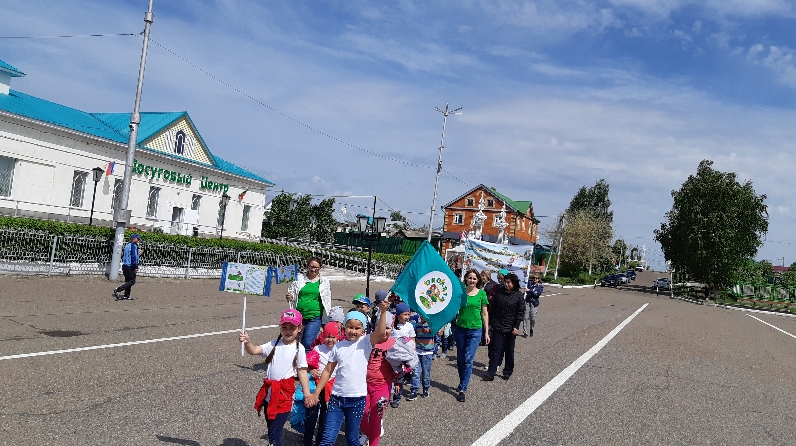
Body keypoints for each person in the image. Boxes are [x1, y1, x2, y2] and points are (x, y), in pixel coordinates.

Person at [306, 300, 391, 446]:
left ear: (363, 330)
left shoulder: (365, 342)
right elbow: (327, 370)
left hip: (357, 400)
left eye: (357, 328)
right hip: (336, 399)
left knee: (352, 439)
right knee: (327, 439)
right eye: (350, 327)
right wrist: (316, 393)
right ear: (343, 327)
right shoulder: (338, 346)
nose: (353, 331)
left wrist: (383, 312)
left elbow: (381, 332)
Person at [239, 309, 312, 446]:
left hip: (283, 396)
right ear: (280, 327)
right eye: (284, 327)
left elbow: (302, 372)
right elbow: (254, 350)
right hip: (269, 395)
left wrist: (307, 393)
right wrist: (247, 342)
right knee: (271, 427)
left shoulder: (299, 349)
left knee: (274, 433)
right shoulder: (273, 344)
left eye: (292, 327)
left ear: (300, 328)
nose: (288, 331)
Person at [360, 311, 396, 446]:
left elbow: (405, 365)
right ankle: (370, 433)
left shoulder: (394, 343)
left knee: (376, 418)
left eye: (388, 328)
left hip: (382, 386)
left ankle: (373, 441)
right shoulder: (369, 340)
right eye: (382, 327)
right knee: (360, 416)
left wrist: (399, 376)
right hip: (364, 384)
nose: (384, 331)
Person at [454, 269, 490, 402]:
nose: (472, 280)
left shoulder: (482, 294)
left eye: (474, 278)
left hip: (475, 330)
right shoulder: (461, 293)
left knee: (468, 359)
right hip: (460, 329)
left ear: (478, 280)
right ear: (466, 279)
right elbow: (452, 308)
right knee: (460, 359)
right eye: (470, 278)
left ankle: (463, 388)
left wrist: (486, 332)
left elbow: (485, 314)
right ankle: (462, 380)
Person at [303, 322, 340, 446]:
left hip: (332, 387)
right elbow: (306, 362)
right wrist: (311, 369)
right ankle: (307, 441)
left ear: (338, 337)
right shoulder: (318, 349)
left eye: (333, 337)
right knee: (311, 415)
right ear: (322, 336)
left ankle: (319, 441)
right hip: (317, 385)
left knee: (325, 417)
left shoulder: (340, 349)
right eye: (327, 336)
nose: (330, 339)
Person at [484, 273, 524, 382]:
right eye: (505, 282)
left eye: (508, 282)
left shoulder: (519, 295)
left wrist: (516, 326)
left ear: (514, 283)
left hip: (511, 328)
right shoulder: (499, 293)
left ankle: (507, 371)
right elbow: (493, 309)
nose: (505, 284)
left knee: (509, 350)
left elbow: (520, 312)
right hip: (498, 325)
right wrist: (489, 324)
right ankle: (491, 372)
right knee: (495, 349)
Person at [287, 257, 332, 351]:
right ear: (307, 266)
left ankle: (305, 364)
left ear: (320, 268)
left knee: (307, 343)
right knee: (294, 341)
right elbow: (292, 293)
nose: (313, 269)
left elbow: (327, 300)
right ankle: (294, 362)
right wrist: (289, 297)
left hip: (315, 317)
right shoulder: (299, 278)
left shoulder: (324, 282)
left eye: (316, 267)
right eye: (311, 266)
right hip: (298, 316)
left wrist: (327, 319)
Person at [390, 302, 416, 407]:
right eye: (404, 314)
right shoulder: (393, 326)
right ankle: (387, 394)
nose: (407, 317)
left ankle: (397, 398)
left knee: (399, 377)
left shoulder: (409, 326)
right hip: (393, 355)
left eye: (408, 314)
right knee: (391, 376)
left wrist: (412, 351)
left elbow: (413, 339)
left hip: (404, 356)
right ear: (398, 314)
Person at [410, 314, 436, 398]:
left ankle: (425, 388)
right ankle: (414, 390)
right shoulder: (417, 326)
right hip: (417, 352)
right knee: (416, 372)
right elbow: (413, 337)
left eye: (424, 315)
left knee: (426, 373)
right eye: (421, 315)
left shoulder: (432, 326)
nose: (422, 317)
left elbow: (437, 331)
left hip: (427, 353)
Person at [113, 233, 140, 301]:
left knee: (128, 281)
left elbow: (125, 256)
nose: (138, 240)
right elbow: (134, 257)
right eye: (137, 239)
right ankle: (118, 290)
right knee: (132, 281)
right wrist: (135, 267)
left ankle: (126, 296)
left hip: (125, 266)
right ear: (133, 239)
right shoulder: (133, 246)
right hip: (130, 266)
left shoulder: (127, 246)